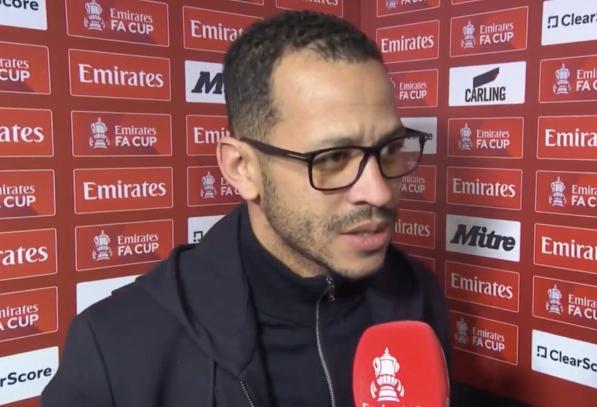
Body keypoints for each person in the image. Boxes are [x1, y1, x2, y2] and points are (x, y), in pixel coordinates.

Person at [42, 10, 449, 407]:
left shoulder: (417, 293)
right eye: (333, 158)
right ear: (242, 168)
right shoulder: (114, 351)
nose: (378, 193)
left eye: (391, 148)